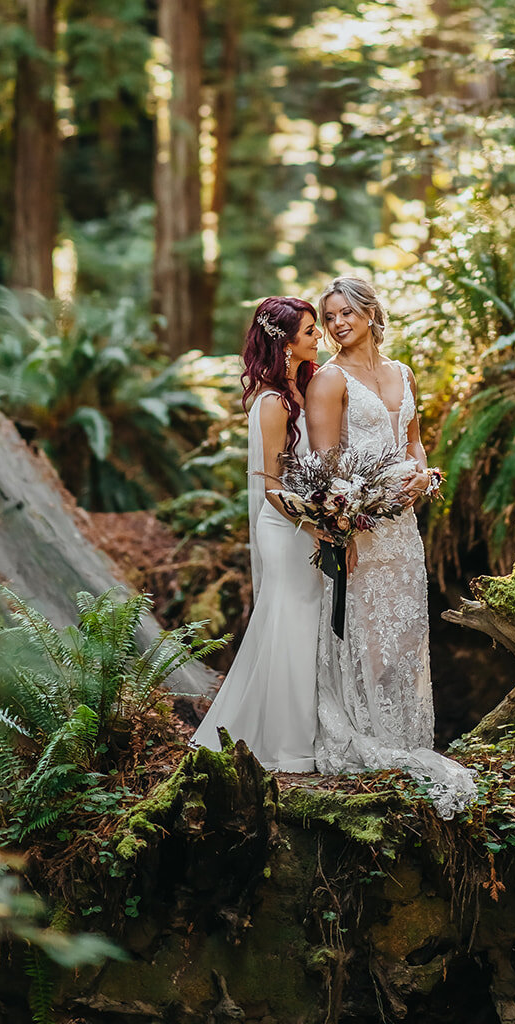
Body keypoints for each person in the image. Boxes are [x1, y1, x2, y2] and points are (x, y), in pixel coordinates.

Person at [305, 276, 475, 818]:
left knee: (404, 635)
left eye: (345, 312)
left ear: (370, 312)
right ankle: (367, 731)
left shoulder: (402, 373)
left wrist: (424, 477)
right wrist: (344, 525)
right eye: (329, 317)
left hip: (402, 529)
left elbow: (413, 441)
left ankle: (406, 733)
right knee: (367, 631)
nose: (337, 324)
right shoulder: (328, 381)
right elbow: (325, 465)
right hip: (361, 527)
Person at [190, 297, 324, 772]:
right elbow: (270, 485)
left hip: (310, 520)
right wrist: (316, 523)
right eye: (309, 331)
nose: (318, 336)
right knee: (291, 624)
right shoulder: (271, 403)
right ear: (285, 343)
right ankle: (287, 747)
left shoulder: (308, 388)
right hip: (286, 526)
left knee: (306, 627)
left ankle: (304, 732)